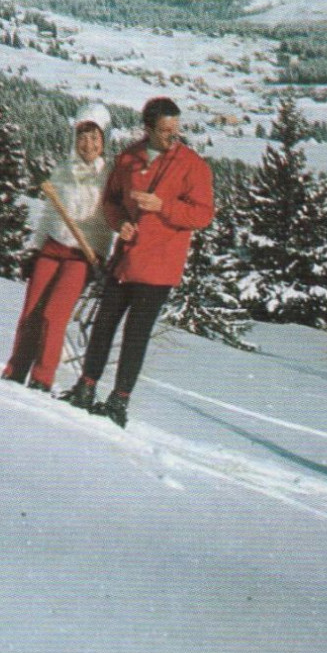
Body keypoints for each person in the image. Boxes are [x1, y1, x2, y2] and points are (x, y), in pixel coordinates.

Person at [61, 96, 214, 427]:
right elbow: (112, 201)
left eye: (176, 129)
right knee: (103, 325)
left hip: (160, 266)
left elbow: (203, 214)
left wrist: (164, 207)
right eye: (164, 131)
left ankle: (118, 402)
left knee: (135, 334)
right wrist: (120, 224)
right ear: (147, 128)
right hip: (126, 260)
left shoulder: (192, 165)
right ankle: (85, 389)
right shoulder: (130, 158)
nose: (172, 136)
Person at [1, 102, 114, 392]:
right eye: (82, 137)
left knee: (54, 316)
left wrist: (101, 258)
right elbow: (50, 213)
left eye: (94, 138)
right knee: (31, 313)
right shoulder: (63, 170)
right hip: (52, 247)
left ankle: (42, 378)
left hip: (82, 256)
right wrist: (35, 249)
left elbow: (110, 224)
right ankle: (15, 372)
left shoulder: (110, 178)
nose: (88, 144)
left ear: (104, 140)